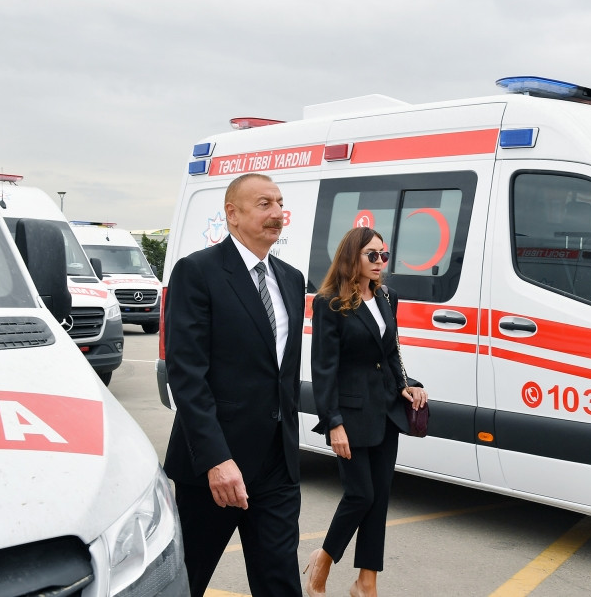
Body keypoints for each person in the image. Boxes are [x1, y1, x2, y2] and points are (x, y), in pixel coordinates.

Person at [163, 173, 305, 597]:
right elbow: (187, 374)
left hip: (277, 464)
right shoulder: (198, 271)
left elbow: (282, 372)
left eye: (280, 203)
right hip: (217, 465)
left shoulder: (291, 279)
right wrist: (215, 459)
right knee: (186, 580)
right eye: (264, 204)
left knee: (280, 580)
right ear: (233, 213)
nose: (277, 213)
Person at [304, 227, 428, 597]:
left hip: (386, 410)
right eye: (371, 255)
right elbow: (323, 369)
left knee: (380, 498)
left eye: (383, 255)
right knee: (360, 496)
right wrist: (333, 422)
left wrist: (407, 384)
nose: (379, 262)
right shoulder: (329, 303)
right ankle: (323, 559)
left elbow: (389, 352)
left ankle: (366, 583)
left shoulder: (387, 297)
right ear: (351, 256)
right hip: (351, 415)